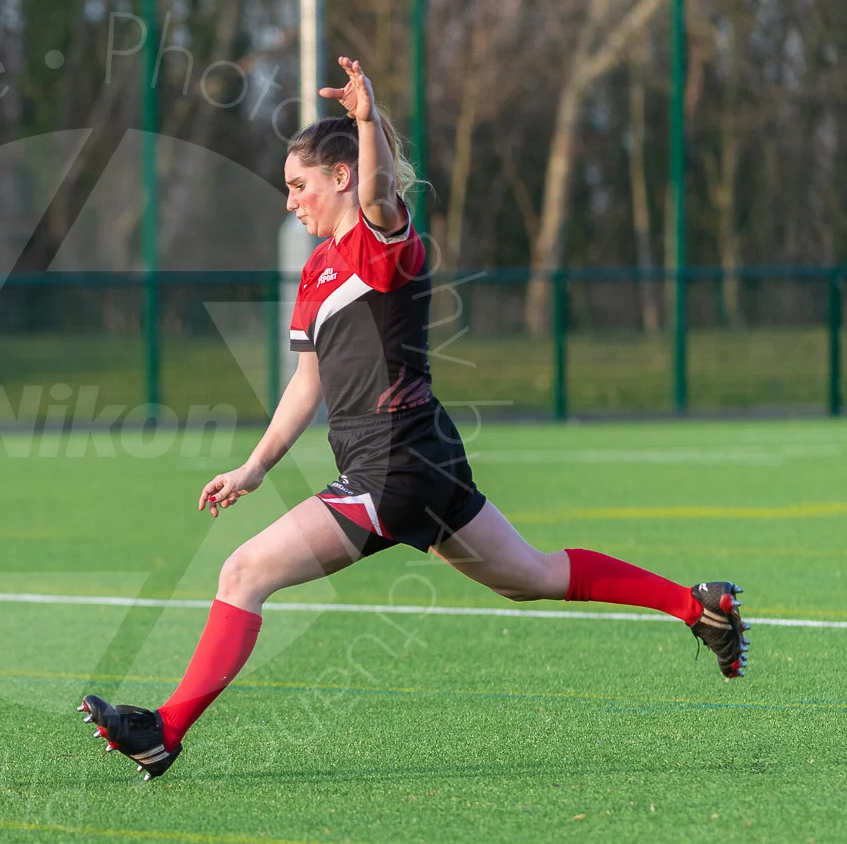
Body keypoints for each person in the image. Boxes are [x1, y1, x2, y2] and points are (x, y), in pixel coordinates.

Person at [78, 57, 749, 781]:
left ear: (341, 177)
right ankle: (697, 606)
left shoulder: (378, 244)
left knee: (242, 572)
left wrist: (367, 124)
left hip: (393, 461)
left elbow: (378, 194)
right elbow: (308, 382)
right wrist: (254, 467)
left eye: (298, 185)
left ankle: (166, 729)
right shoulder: (317, 271)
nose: (290, 202)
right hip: (418, 457)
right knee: (530, 575)